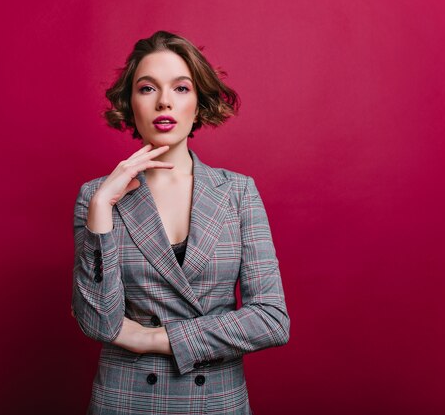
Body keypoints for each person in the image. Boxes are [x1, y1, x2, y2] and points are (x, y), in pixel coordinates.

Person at [71, 30, 290, 415]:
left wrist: (153, 338)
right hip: (125, 401)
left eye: (181, 88)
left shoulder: (237, 192)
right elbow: (99, 324)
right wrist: (103, 207)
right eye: (147, 89)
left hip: (215, 402)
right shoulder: (95, 196)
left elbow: (271, 320)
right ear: (130, 104)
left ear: (199, 102)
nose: (164, 102)